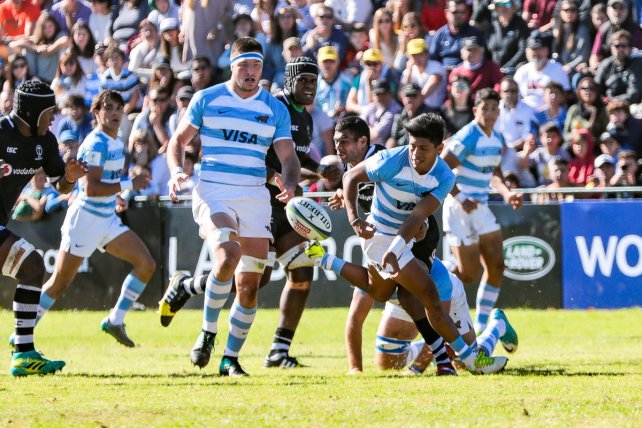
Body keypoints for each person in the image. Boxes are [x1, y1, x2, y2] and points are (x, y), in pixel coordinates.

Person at [306, 113, 508, 375]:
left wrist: (397, 248)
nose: (415, 154)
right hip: (381, 238)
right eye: (412, 146)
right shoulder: (391, 160)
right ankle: (465, 359)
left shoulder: (444, 177)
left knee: (391, 293)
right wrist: (355, 219)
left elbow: (417, 217)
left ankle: (472, 349)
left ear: (439, 149)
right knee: (420, 296)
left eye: (423, 148)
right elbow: (350, 178)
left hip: (410, 241)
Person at [161, 56, 322, 370]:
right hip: (258, 199)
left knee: (300, 271)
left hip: (283, 205)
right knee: (248, 278)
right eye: (303, 80)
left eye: (314, 82)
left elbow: (294, 160)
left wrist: (320, 172)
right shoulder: (272, 106)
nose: (309, 87)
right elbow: (253, 157)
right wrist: (275, 178)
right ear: (289, 81)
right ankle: (192, 294)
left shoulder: (306, 118)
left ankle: (277, 351)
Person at [33, 90, 155, 348]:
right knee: (58, 283)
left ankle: (115, 320)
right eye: (108, 108)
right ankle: (22, 332)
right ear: (96, 112)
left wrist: (117, 195)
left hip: (106, 219)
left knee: (146, 264)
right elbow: (90, 189)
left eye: (118, 108)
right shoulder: (97, 143)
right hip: (85, 221)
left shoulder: (115, 141)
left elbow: (104, 184)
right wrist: (129, 185)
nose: (114, 113)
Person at [0, 81, 86, 376]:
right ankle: (24, 354)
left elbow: (59, 184)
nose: (53, 118)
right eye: (49, 112)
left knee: (32, 268)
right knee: (32, 265)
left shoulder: (46, 142)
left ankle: (24, 355)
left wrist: (70, 177)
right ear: (33, 112)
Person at [440, 88, 523, 335]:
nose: (490, 113)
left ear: (499, 112)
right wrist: (461, 197)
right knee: (468, 275)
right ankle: (435, 273)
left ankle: (481, 325)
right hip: (459, 208)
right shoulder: (468, 135)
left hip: (481, 207)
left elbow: (493, 174)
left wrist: (507, 194)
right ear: (475, 110)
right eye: (485, 108)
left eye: (494, 108)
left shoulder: (496, 138)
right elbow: (441, 168)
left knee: (496, 266)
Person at [513, 31, 571, 111]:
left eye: (539, 49)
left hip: (550, 113)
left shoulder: (558, 69)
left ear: (547, 51)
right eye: (533, 49)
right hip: (525, 113)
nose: (537, 53)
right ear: (527, 52)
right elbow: (515, 96)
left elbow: (565, 96)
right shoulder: (521, 71)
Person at [388, 83, 434, 148]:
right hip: (401, 150)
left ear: (421, 97)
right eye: (407, 96)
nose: (410, 99)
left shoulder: (430, 116)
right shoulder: (399, 116)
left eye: (414, 96)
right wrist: (389, 151)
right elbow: (393, 138)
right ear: (402, 98)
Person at [361, 80, 402, 146]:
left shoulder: (395, 110)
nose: (380, 97)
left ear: (390, 94)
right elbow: (357, 129)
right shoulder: (371, 107)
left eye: (383, 94)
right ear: (372, 95)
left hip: (385, 148)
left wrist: (365, 128)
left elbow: (376, 136)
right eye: (377, 94)